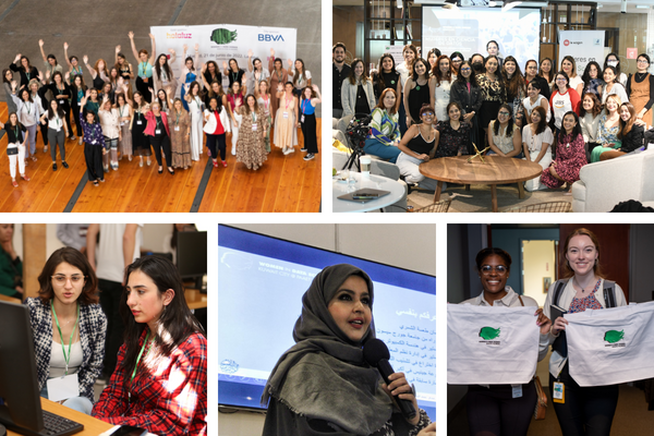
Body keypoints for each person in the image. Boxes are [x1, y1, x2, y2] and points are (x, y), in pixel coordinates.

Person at [261, 264, 435, 436]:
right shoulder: (305, 369)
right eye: (345, 297)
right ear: (321, 307)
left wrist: (412, 418)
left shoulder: (375, 374)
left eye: (365, 301)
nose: (359, 307)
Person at [91, 255, 207, 435]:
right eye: (129, 291)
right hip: (132, 426)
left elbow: (171, 422)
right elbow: (115, 392)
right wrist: (97, 422)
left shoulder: (191, 346)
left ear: (167, 296)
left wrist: (112, 424)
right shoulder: (139, 334)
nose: (130, 300)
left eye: (141, 291)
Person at [544, 228, 627, 436]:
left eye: (587, 250)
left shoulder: (612, 291)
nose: (581, 256)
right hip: (563, 377)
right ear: (566, 256)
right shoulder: (556, 289)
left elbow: (625, 335)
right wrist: (553, 330)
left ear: (596, 254)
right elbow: (543, 335)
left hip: (601, 378)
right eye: (574, 251)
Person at [461, 247, 551, 436]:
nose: (493, 273)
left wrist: (543, 336)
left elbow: (537, 357)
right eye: (486, 268)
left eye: (500, 268)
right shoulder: (465, 309)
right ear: (479, 272)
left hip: (518, 392)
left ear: (508, 272)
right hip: (481, 391)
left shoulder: (527, 305)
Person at [25, 247, 107, 414]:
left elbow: (94, 367)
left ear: (84, 281)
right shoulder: (33, 310)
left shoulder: (95, 316)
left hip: (77, 393)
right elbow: (19, 363)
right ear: (50, 280)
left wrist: (70, 394)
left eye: (75, 278)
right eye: (60, 278)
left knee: (72, 412)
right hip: (36, 391)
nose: (68, 286)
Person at [86, 224, 141, 381]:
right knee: (119, 326)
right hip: (121, 278)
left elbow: (91, 232)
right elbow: (127, 236)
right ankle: (110, 372)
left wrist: (91, 265)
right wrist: (127, 272)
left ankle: (101, 370)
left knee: (106, 325)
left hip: (103, 274)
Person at [396, 104, 439, 190]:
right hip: (407, 159)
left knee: (440, 186)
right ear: (421, 117)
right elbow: (401, 145)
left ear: (434, 116)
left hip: (421, 162)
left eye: (431, 113)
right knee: (419, 174)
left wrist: (429, 157)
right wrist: (417, 156)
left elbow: (433, 152)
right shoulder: (415, 128)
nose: (428, 116)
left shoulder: (436, 133)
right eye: (424, 114)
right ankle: (404, 180)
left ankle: (413, 183)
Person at [541, 111, 587, 191]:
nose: (567, 122)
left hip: (576, 165)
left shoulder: (578, 137)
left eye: (570, 120)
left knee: (553, 169)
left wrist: (561, 164)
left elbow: (577, 158)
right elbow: (558, 153)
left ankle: (574, 184)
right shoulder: (561, 135)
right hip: (564, 163)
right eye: (566, 120)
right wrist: (556, 162)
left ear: (575, 123)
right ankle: (570, 183)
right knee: (547, 172)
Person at [450, 61, 482, 152]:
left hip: (474, 117)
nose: (465, 71)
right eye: (463, 69)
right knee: (462, 145)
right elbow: (455, 101)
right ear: (460, 71)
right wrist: (465, 117)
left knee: (474, 144)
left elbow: (479, 101)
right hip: (460, 118)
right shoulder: (456, 85)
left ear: (471, 70)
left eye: (467, 68)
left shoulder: (476, 84)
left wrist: (472, 113)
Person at [363, 88, 401, 163]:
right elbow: (375, 131)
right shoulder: (378, 111)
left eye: (392, 97)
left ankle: (389, 170)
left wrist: (397, 142)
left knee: (404, 150)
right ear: (382, 99)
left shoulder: (395, 114)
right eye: (387, 97)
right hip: (372, 143)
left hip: (384, 143)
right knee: (399, 152)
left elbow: (397, 131)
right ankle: (386, 172)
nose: (390, 100)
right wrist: (392, 143)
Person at [522, 106, 553, 191]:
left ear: (542, 118)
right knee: (519, 168)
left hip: (543, 157)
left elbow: (543, 151)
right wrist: (529, 162)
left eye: (538, 115)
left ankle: (546, 184)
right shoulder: (525, 128)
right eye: (534, 114)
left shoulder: (547, 130)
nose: (535, 117)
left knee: (529, 187)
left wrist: (534, 164)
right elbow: (525, 148)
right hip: (531, 155)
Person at [79, 92, 106, 186]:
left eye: (91, 116)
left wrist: (104, 147)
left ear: (94, 116)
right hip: (89, 146)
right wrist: (82, 106)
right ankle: (93, 178)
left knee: (98, 161)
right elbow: (80, 116)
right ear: (86, 117)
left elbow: (101, 136)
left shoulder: (97, 125)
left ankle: (100, 176)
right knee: (89, 162)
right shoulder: (85, 124)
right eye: (88, 116)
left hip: (97, 145)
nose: (90, 118)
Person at [477, 55, 506, 145]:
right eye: (490, 63)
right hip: (483, 108)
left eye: (495, 64)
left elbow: (504, 97)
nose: (492, 66)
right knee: (485, 135)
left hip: (497, 109)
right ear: (485, 64)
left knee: (495, 134)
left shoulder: (500, 79)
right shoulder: (477, 78)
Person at [236, 94, 268, 170]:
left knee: (257, 146)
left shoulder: (259, 108)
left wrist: (264, 130)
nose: (251, 101)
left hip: (258, 131)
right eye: (249, 100)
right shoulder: (243, 108)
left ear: (254, 101)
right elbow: (238, 112)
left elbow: (263, 120)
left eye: (252, 99)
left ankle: (255, 163)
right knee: (248, 147)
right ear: (246, 101)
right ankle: (248, 162)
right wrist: (237, 105)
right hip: (246, 132)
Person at [10, 87, 42, 162]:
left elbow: (37, 113)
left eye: (26, 94)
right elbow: (14, 98)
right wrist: (14, 89)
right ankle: (25, 157)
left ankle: (32, 154)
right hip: (23, 126)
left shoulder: (34, 101)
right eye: (23, 95)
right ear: (21, 96)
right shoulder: (20, 102)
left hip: (33, 124)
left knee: (32, 140)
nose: (25, 96)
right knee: (24, 142)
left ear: (28, 94)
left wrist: (38, 123)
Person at [39, 99, 70, 171]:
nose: (54, 105)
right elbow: (41, 118)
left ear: (57, 104)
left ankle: (63, 161)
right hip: (51, 131)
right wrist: (42, 120)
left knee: (62, 146)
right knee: (53, 147)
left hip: (60, 130)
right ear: (50, 105)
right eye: (52, 104)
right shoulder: (47, 112)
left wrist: (67, 131)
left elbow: (64, 121)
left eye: (55, 103)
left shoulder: (61, 111)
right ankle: (54, 163)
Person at [0, 114, 30, 188]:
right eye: (12, 117)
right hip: (12, 146)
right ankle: (13, 178)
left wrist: (24, 141)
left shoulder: (19, 125)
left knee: (21, 161)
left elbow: (26, 131)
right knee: (12, 163)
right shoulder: (7, 126)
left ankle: (22, 174)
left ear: (17, 117)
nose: (13, 118)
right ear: (9, 118)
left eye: (15, 117)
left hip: (20, 145)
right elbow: (1, 124)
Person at [144, 101, 174, 175]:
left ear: (159, 108)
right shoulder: (150, 115)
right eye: (153, 108)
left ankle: (169, 166)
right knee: (157, 152)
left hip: (164, 136)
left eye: (156, 107)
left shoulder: (163, 114)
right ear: (151, 109)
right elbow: (145, 114)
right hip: (154, 138)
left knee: (167, 152)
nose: (155, 109)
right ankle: (160, 165)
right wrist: (145, 110)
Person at [592, 94, 622, 163]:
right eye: (608, 102)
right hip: (606, 145)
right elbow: (599, 135)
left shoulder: (622, 118)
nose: (611, 104)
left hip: (619, 145)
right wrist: (605, 144)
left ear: (618, 104)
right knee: (595, 150)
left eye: (614, 102)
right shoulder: (603, 118)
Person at [626, 53, 654, 127]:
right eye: (639, 61)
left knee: (644, 134)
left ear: (648, 64)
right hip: (632, 109)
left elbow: (652, 98)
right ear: (636, 62)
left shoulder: (651, 78)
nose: (641, 63)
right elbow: (627, 95)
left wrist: (642, 112)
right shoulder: (631, 77)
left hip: (645, 111)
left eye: (644, 61)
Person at [128, 31, 156, 103]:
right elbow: (134, 50)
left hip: (148, 80)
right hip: (140, 80)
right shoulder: (139, 61)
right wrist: (131, 39)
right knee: (141, 97)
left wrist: (153, 40)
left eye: (143, 55)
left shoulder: (150, 61)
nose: (142, 57)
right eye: (140, 56)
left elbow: (153, 51)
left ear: (147, 55)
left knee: (149, 97)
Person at [203, 96, 231, 168]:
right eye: (211, 102)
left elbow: (226, 119)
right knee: (212, 146)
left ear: (217, 102)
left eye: (214, 101)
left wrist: (228, 130)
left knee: (222, 146)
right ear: (209, 103)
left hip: (221, 131)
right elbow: (206, 120)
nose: (213, 103)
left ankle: (223, 160)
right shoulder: (207, 111)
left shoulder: (222, 108)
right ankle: (214, 160)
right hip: (211, 132)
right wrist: (206, 118)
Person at [273, 81, 299, 156]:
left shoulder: (295, 98)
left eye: (289, 87)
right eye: (286, 87)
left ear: (292, 88)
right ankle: (284, 145)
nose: (288, 88)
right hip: (281, 114)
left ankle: (291, 148)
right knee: (281, 130)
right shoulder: (282, 93)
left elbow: (296, 109)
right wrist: (279, 90)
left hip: (290, 115)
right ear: (284, 88)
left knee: (289, 131)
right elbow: (277, 95)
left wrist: (297, 120)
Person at [404, 58, 431, 127]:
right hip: (413, 117)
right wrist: (408, 116)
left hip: (427, 117)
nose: (419, 68)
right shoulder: (410, 80)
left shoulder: (430, 80)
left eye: (421, 66)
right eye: (417, 67)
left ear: (426, 66)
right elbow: (405, 98)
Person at [129, 90, 152, 168]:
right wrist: (131, 127)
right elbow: (133, 117)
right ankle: (141, 159)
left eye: (137, 96)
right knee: (138, 144)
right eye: (134, 97)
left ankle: (148, 158)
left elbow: (149, 118)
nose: (136, 98)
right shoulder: (134, 106)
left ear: (141, 96)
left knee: (146, 143)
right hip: (136, 128)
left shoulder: (146, 105)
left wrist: (147, 129)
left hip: (144, 127)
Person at [98, 97, 121, 171]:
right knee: (106, 150)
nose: (107, 106)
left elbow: (118, 122)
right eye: (105, 105)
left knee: (114, 149)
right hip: (106, 133)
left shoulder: (115, 110)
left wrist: (120, 133)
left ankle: (114, 163)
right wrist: (103, 102)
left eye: (108, 104)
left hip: (115, 132)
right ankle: (105, 165)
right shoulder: (102, 112)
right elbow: (99, 111)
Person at [299, 85, 321, 161]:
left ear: (311, 93)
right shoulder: (302, 98)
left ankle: (311, 152)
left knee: (310, 135)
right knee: (305, 132)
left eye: (309, 91)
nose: (307, 93)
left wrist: (318, 91)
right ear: (304, 92)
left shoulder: (313, 100)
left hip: (310, 118)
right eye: (306, 91)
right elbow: (301, 107)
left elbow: (321, 100)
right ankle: (306, 146)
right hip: (303, 117)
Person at [502, 56, 526, 126]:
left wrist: (519, 116)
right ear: (504, 66)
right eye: (508, 64)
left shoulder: (520, 79)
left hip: (515, 109)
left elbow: (522, 98)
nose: (510, 66)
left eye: (513, 64)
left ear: (516, 66)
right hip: (503, 108)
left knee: (515, 131)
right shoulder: (500, 78)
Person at [169, 98, 192, 170]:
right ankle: (176, 163)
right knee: (175, 147)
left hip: (183, 133)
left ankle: (185, 163)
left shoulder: (185, 113)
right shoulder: (173, 112)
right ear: (174, 105)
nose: (178, 105)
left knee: (183, 147)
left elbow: (188, 125)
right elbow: (169, 105)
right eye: (176, 104)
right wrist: (168, 95)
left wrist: (188, 134)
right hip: (174, 134)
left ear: (181, 104)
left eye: (179, 103)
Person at [579, 92, 603, 162]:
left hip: (602, 141)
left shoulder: (601, 112)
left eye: (589, 101)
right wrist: (584, 142)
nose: (586, 103)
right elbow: (585, 133)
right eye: (585, 100)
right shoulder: (582, 117)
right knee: (588, 158)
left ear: (594, 102)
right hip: (591, 142)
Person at [0, 224, 22, 298]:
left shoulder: (6, 247)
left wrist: (12, 253)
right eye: (5, 227)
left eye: (12, 227)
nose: (10, 231)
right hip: (5, 288)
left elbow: (24, 273)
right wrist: (15, 286)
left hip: (13, 285)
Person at [184, 81, 204, 162]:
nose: (196, 88)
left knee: (199, 134)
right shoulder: (189, 96)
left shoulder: (198, 96)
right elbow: (185, 98)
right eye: (194, 87)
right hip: (193, 117)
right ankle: (194, 155)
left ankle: (199, 151)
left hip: (200, 116)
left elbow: (201, 106)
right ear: (191, 88)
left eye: (197, 87)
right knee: (194, 135)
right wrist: (186, 91)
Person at [429, 55, 453, 122]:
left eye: (446, 64)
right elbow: (432, 97)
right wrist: (432, 113)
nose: (444, 66)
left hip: (450, 107)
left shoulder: (452, 78)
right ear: (438, 66)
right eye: (441, 64)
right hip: (438, 107)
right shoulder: (434, 78)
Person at [268, 49, 289, 123]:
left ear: (281, 64)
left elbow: (286, 81)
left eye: (279, 63)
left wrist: (285, 91)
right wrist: (271, 56)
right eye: (276, 63)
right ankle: (273, 120)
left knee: (281, 104)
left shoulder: (285, 71)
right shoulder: (272, 70)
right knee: (273, 104)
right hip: (273, 89)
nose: (277, 65)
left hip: (282, 90)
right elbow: (270, 65)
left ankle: (281, 120)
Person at [177, 44, 199, 112]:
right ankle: (186, 115)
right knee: (184, 102)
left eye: (191, 63)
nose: (189, 64)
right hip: (185, 87)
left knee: (193, 102)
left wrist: (196, 51)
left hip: (193, 88)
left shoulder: (194, 69)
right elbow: (182, 60)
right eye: (188, 63)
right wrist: (184, 51)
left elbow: (197, 60)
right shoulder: (183, 69)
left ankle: (194, 114)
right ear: (186, 64)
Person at [332, 42, 351, 118]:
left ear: (345, 55)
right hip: (332, 108)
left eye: (341, 52)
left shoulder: (350, 70)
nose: (339, 54)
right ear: (333, 54)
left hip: (346, 109)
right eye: (337, 52)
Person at [226, 81, 245, 156]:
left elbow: (245, 90)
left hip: (241, 115)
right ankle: (234, 146)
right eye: (234, 85)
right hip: (233, 115)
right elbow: (230, 109)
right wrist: (233, 120)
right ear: (232, 86)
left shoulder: (241, 94)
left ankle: (241, 148)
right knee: (235, 134)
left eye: (237, 85)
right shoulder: (229, 96)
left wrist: (244, 83)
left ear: (239, 87)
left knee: (242, 133)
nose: (236, 86)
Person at [255, 80, 273, 153]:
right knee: (260, 134)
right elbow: (255, 90)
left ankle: (267, 148)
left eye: (264, 85)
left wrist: (272, 117)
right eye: (261, 85)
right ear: (259, 87)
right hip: (260, 118)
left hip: (268, 116)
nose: (263, 86)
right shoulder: (257, 95)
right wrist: (256, 80)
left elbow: (270, 106)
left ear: (267, 87)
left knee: (267, 134)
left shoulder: (269, 95)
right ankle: (260, 149)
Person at [116, 93, 132, 162]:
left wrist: (126, 118)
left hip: (127, 125)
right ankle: (121, 153)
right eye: (119, 100)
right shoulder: (116, 108)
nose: (121, 101)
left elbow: (132, 117)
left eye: (122, 99)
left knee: (128, 140)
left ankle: (129, 154)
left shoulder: (128, 106)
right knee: (120, 141)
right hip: (119, 126)